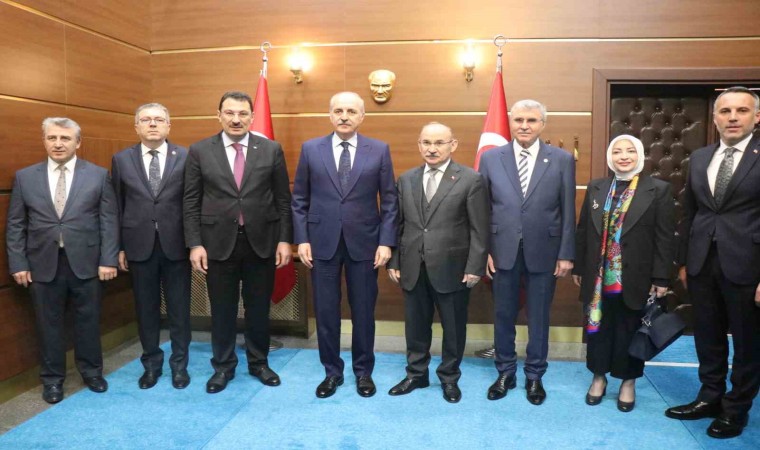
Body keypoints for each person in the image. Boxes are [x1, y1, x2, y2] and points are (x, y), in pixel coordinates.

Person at [665, 86, 760, 439]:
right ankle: (709, 397)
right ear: (715, 117)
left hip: (749, 266)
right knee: (708, 336)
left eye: (741, 111)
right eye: (725, 111)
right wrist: (683, 262)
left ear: (756, 117)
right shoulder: (701, 157)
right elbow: (689, 213)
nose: (733, 117)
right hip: (702, 263)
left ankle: (736, 409)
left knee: (748, 343)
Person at [183, 91, 293, 394]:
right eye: (229, 113)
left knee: (258, 309)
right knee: (222, 310)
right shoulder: (200, 151)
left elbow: (283, 199)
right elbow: (190, 201)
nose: (236, 119)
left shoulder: (270, 149)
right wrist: (195, 244)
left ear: (252, 117)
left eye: (243, 113)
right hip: (216, 243)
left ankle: (259, 363)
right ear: (218, 115)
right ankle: (223, 366)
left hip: (262, 242)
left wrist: (285, 240)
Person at [292, 91, 398, 398]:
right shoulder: (311, 149)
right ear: (330, 115)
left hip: (365, 244)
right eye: (338, 110)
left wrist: (386, 242)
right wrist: (302, 239)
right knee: (326, 311)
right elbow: (299, 199)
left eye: (351, 111)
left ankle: (363, 372)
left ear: (362, 116)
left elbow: (389, 200)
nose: (344, 116)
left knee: (363, 311)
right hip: (321, 243)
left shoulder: (379, 150)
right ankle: (332, 372)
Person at [6, 117, 119, 404]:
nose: (58, 144)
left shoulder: (98, 175)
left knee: (88, 322)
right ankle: (52, 380)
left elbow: (108, 221)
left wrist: (108, 259)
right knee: (48, 325)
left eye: (65, 138)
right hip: (42, 264)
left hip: (87, 263)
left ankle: (92, 373)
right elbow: (16, 224)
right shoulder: (25, 177)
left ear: (77, 143)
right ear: (44, 141)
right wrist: (18, 263)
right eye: (52, 138)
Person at [479, 99, 575, 405]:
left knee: (539, 317)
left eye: (531, 120)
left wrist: (566, 253)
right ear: (510, 122)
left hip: (545, 251)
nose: (524, 126)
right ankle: (505, 372)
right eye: (518, 120)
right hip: (501, 250)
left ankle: (535, 376)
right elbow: (482, 208)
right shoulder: (491, 158)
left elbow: (568, 209)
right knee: (503, 315)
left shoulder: (561, 159)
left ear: (542, 124)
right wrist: (484, 251)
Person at [387, 122, 488, 403]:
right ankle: (416, 374)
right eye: (426, 143)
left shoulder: (470, 179)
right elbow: (398, 225)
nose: (432, 149)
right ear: (419, 145)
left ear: (452, 145)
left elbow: (479, 228)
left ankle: (449, 378)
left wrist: (474, 267)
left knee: (453, 328)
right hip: (412, 266)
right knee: (415, 327)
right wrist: (394, 260)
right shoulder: (406, 179)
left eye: (439, 143)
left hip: (453, 268)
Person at [573, 134, 675, 412]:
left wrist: (661, 277)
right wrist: (579, 267)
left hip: (636, 276)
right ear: (610, 157)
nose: (624, 156)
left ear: (640, 155)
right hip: (597, 276)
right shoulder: (597, 187)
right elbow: (583, 230)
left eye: (630, 151)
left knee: (630, 329)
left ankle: (628, 382)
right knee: (598, 329)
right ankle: (598, 377)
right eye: (617, 151)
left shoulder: (658, 189)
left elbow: (665, 237)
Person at [111, 103, 191, 390]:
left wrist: (196, 244)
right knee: (146, 310)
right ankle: (151, 366)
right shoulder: (121, 159)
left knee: (180, 310)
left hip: (177, 245)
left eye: (159, 120)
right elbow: (116, 206)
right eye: (146, 120)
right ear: (137, 127)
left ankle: (179, 366)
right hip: (138, 245)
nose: (153, 124)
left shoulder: (186, 156)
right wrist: (119, 247)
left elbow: (193, 202)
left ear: (169, 125)